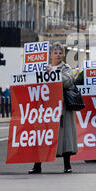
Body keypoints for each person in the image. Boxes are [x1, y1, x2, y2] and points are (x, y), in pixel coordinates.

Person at [29, 42, 78, 174]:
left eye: (60, 53)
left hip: (62, 109)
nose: (58, 55)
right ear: (50, 55)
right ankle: (37, 165)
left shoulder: (66, 68)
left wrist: (54, 73)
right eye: (55, 53)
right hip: (45, 108)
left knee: (65, 137)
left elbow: (68, 81)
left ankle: (67, 165)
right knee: (42, 136)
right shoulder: (42, 68)